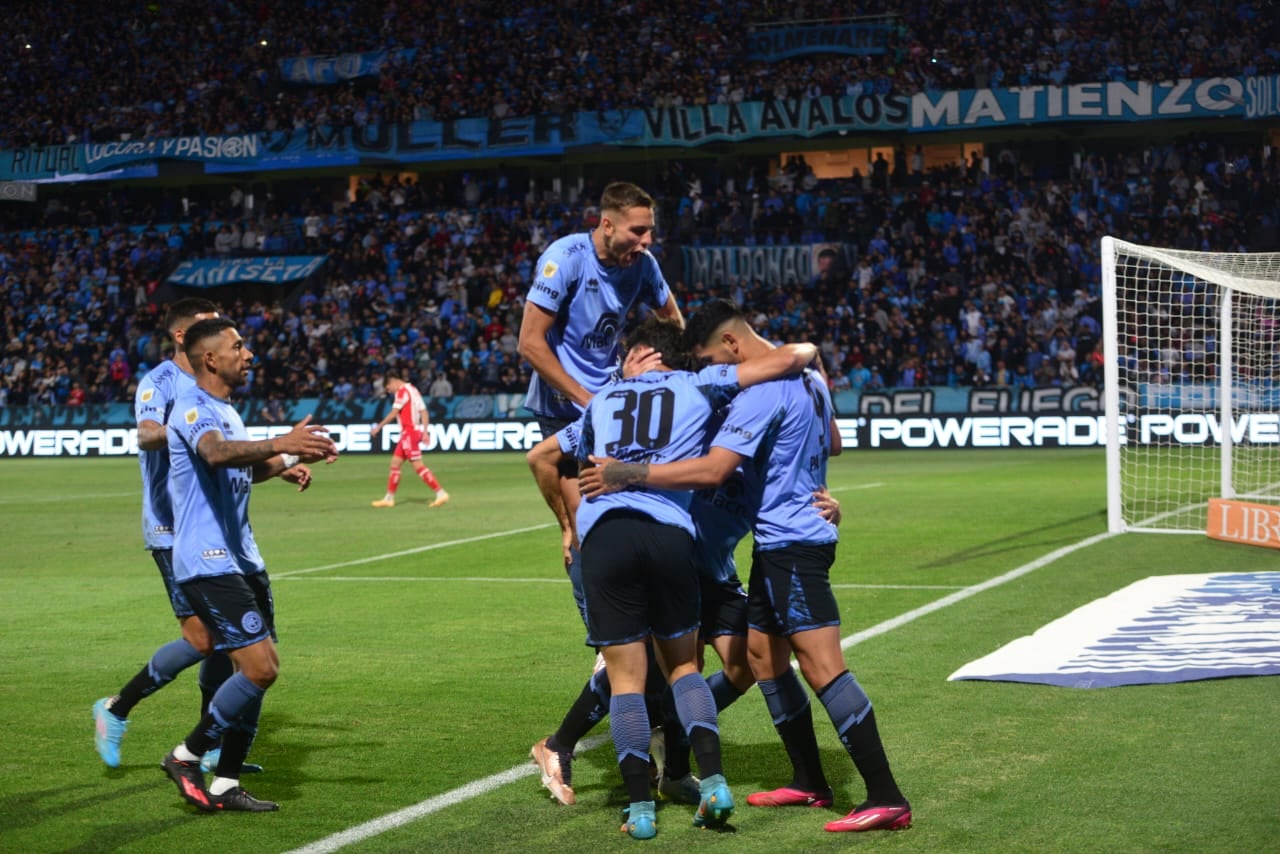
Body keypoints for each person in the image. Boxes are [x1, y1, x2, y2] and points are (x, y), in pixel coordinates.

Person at [581, 299, 912, 834]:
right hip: (777, 541)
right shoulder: (811, 381)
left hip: (791, 544)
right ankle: (809, 780)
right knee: (762, 657)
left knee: (823, 666)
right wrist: (816, 492)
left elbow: (713, 471)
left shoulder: (759, 393)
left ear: (732, 347)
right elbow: (833, 443)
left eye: (712, 359)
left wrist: (629, 472)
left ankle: (886, 795)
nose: (711, 373)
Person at [530, 315, 818, 838]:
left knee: (627, 679)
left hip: (607, 539)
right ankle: (711, 782)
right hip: (670, 535)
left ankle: (641, 810)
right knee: (684, 666)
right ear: (676, 357)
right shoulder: (699, 386)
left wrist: (569, 528)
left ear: (636, 354)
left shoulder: (602, 400)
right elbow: (795, 355)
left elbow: (543, 457)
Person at [160, 316, 338, 812]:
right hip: (207, 559)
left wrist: (287, 459)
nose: (249, 354)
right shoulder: (193, 407)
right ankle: (187, 754)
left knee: (254, 675)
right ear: (211, 358)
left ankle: (225, 782)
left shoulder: (227, 409)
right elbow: (216, 455)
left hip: (243, 559)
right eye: (238, 346)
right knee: (261, 670)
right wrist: (283, 441)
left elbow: (247, 466)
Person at [93, 297, 250, 774]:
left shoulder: (212, 385)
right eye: (210, 325)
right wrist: (190, 431)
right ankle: (118, 708)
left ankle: (208, 744)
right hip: (170, 527)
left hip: (211, 526)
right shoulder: (161, 382)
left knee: (219, 639)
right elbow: (144, 434)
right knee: (208, 639)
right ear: (184, 336)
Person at [518, 180, 683, 570]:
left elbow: (673, 323)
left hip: (610, 401)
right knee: (583, 527)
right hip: (563, 406)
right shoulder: (566, 258)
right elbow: (529, 343)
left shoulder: (644, 265)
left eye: (650, 232)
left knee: (626, 515)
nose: (646, 242)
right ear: (607, 225)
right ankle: (573, 547)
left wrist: (665, 374)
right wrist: (586, 399)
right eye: (638, 231)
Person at [370, 370, 449, 508]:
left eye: (388, 388)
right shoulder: (413, 390)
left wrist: (379, 427)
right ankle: (389, 498)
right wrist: (424, 432)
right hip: (411, 433)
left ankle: (441, 493)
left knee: (418, 466)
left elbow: (394, 413)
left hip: (409, 433)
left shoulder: (401, 392)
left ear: (393, 381)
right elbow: (424, 411)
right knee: (395, 464)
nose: (390, 392)